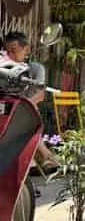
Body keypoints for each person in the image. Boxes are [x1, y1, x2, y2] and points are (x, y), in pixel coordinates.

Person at [0, 30, 57, 173]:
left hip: (26, 111)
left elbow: (40, 95)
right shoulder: (3, 70)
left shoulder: (35, 69)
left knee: (25, 119)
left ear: (26, 49)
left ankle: (43, 158)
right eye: (7, 51)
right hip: (5, 111)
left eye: (14, 50)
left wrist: (22, 106)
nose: (10, 55)